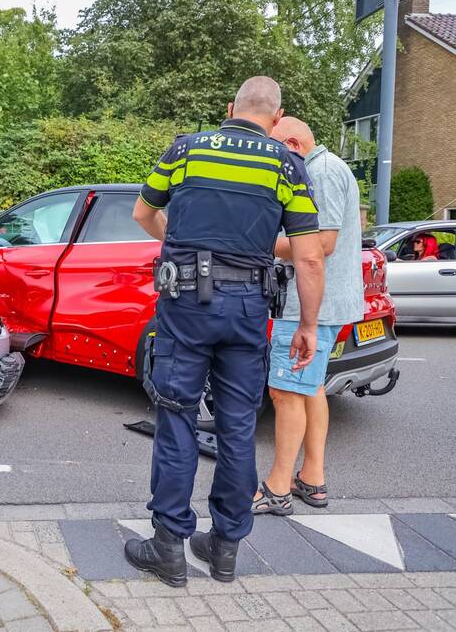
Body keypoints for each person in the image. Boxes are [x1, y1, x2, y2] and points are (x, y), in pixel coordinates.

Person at [127, 77, 325, 586]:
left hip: (185, 305)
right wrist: (307, 325)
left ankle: (168, 547)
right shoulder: (287, 164)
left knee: (177, 417)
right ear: (276, 118)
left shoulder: (186, 150)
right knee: (237, 426)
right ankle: (224, 548)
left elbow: (143, 212)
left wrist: (179, 246)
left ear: (231, 106)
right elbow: (309, 256)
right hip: (248, 309)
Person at [253, 117, 364, 516]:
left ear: (294, 145)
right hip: (321, 303)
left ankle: (277, 487)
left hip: (308, 305)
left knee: (285, 393)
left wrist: (260, 242)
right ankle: (312, 478)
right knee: (310, 388)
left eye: (276, 149)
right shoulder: (327, 167)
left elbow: (322, 243)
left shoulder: (322, 172)